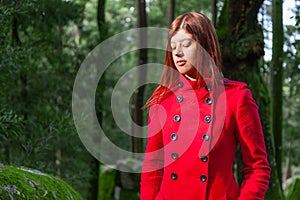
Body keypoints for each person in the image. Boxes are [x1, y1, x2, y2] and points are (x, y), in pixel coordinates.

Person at [140, 12, 270, 200]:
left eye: (186, 44)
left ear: (205, 46)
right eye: (173, 46)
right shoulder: (162, 100)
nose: (177, 52)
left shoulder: (236, 98)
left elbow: (258, 167)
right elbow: (152, 168)